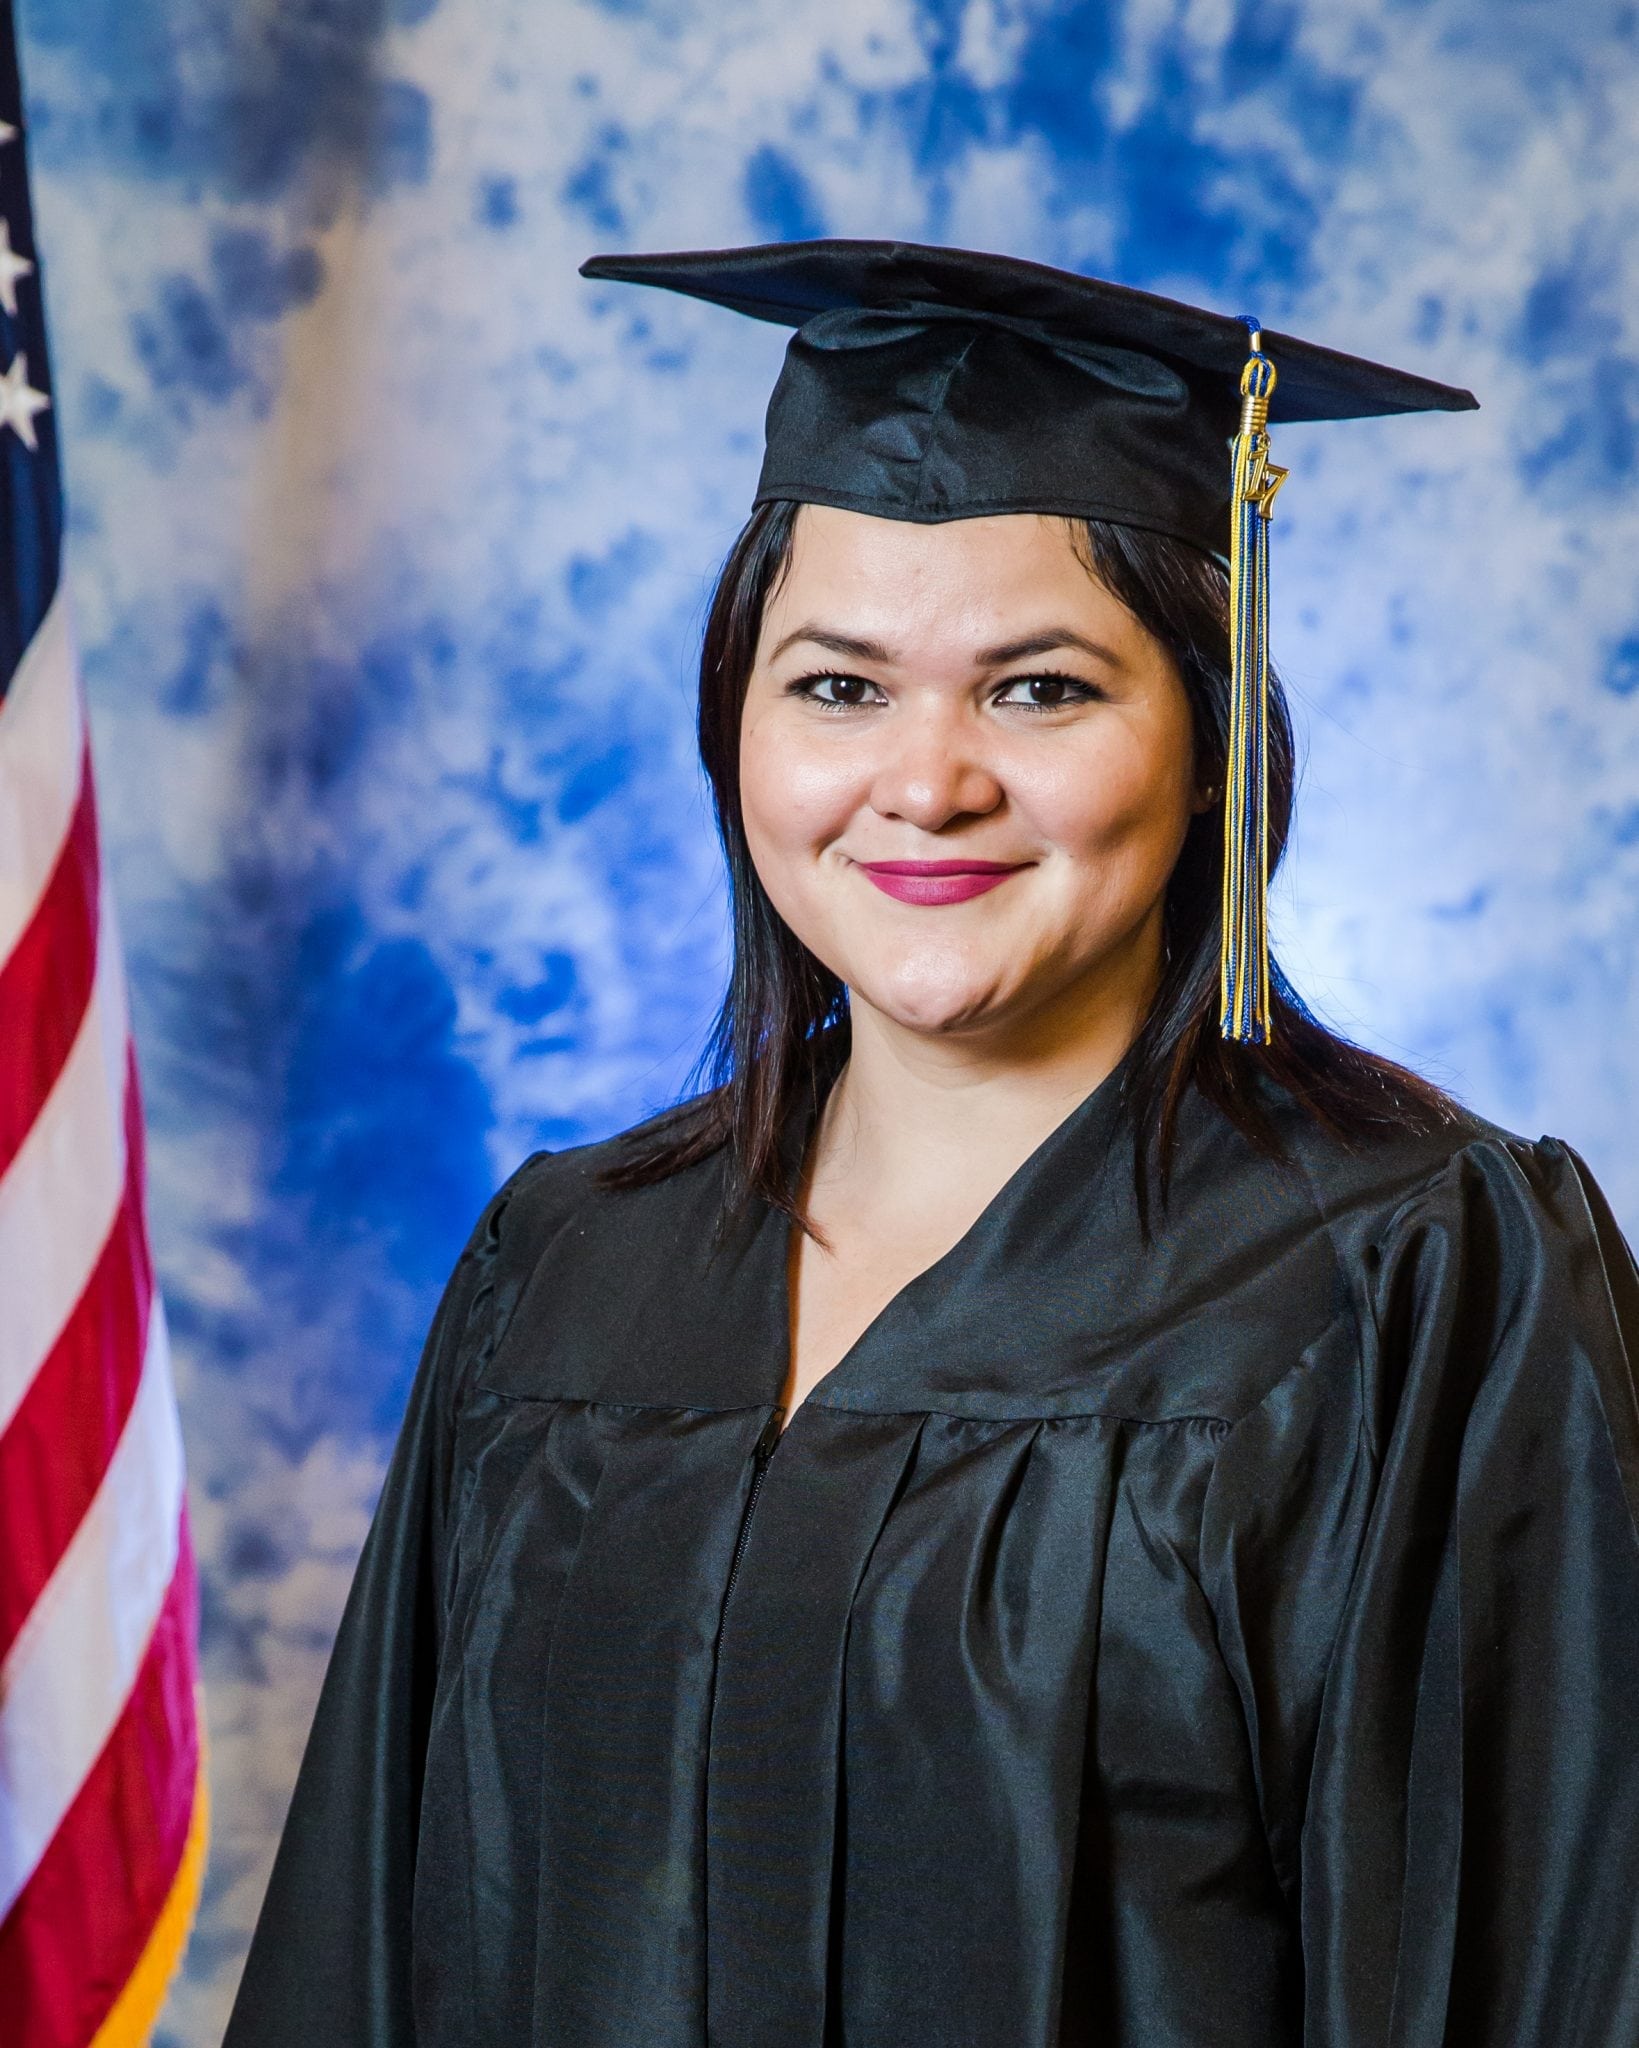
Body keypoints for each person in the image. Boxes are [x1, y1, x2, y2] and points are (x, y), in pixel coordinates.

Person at [224, 242, 1639, 2047]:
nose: (927, 784)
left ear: (1210, 741)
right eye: (840, 687)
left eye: (1040, 687)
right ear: (735, 728)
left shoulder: (1415, 1280)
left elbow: (1546, 1970)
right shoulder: (562, 1266)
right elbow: (364, 1956)